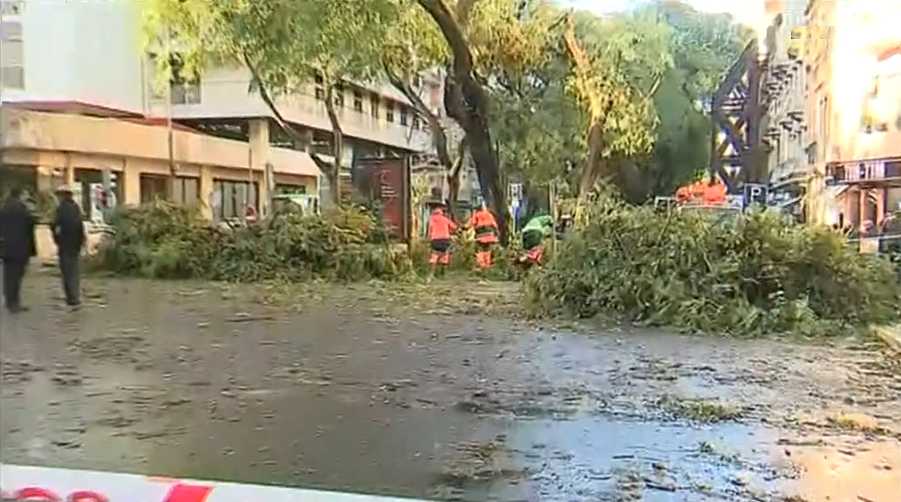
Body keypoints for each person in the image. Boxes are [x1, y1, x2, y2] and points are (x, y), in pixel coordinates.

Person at [0, 187, 38, 312]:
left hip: (6, 247)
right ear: (20, 195)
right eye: (25, 194)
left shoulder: (4, 208)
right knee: (16, 276)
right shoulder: (23, 209)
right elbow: (31, 222)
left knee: (8, 275)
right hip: (20, 247)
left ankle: (10, 301)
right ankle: (14, 303)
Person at [52, 184, 86, 308]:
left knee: (67, 270)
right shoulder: (75, 208)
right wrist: (82, 241)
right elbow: (80, 226)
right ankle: (75, 296)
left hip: (65, 244)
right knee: (74, 270)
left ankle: (71, 297)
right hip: (75, 244)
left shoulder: (61, 209)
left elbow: (55, 226)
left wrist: (57, 240)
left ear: (63, 196)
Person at [427, 202, 457, 275]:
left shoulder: (431, 220)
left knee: (434, 255)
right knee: (445, 255)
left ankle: (432, 273)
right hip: (445, 240)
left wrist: (428, 239)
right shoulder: (445, 219)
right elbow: (454, 227)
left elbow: (429, 231)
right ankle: (442, 273)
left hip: (435, 240)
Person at [468, 202, 498, 269]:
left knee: (480, 250)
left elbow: (471, 224)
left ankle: (482, 265)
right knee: (487, 250)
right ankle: (487, 265)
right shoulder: (489, 214)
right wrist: (496, 234)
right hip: (490, 235)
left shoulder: (477, 215)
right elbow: (495, 225)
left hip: (481, 235)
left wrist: (463, 228)